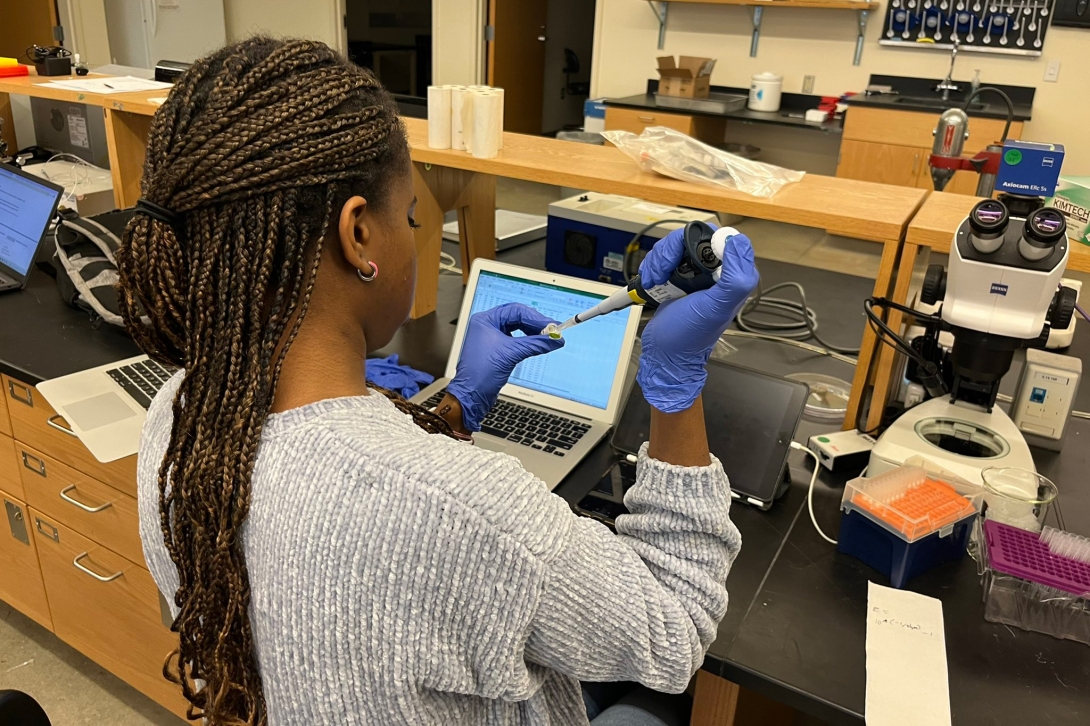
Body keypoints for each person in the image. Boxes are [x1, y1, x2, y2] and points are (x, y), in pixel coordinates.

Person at [118, 37, 758, 726]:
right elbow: (674, 624)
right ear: (358, 235)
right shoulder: (476, 515)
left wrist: (454, 410)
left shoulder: (176, 416)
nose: (419, 237)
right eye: (415, 218)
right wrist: (674, 383)